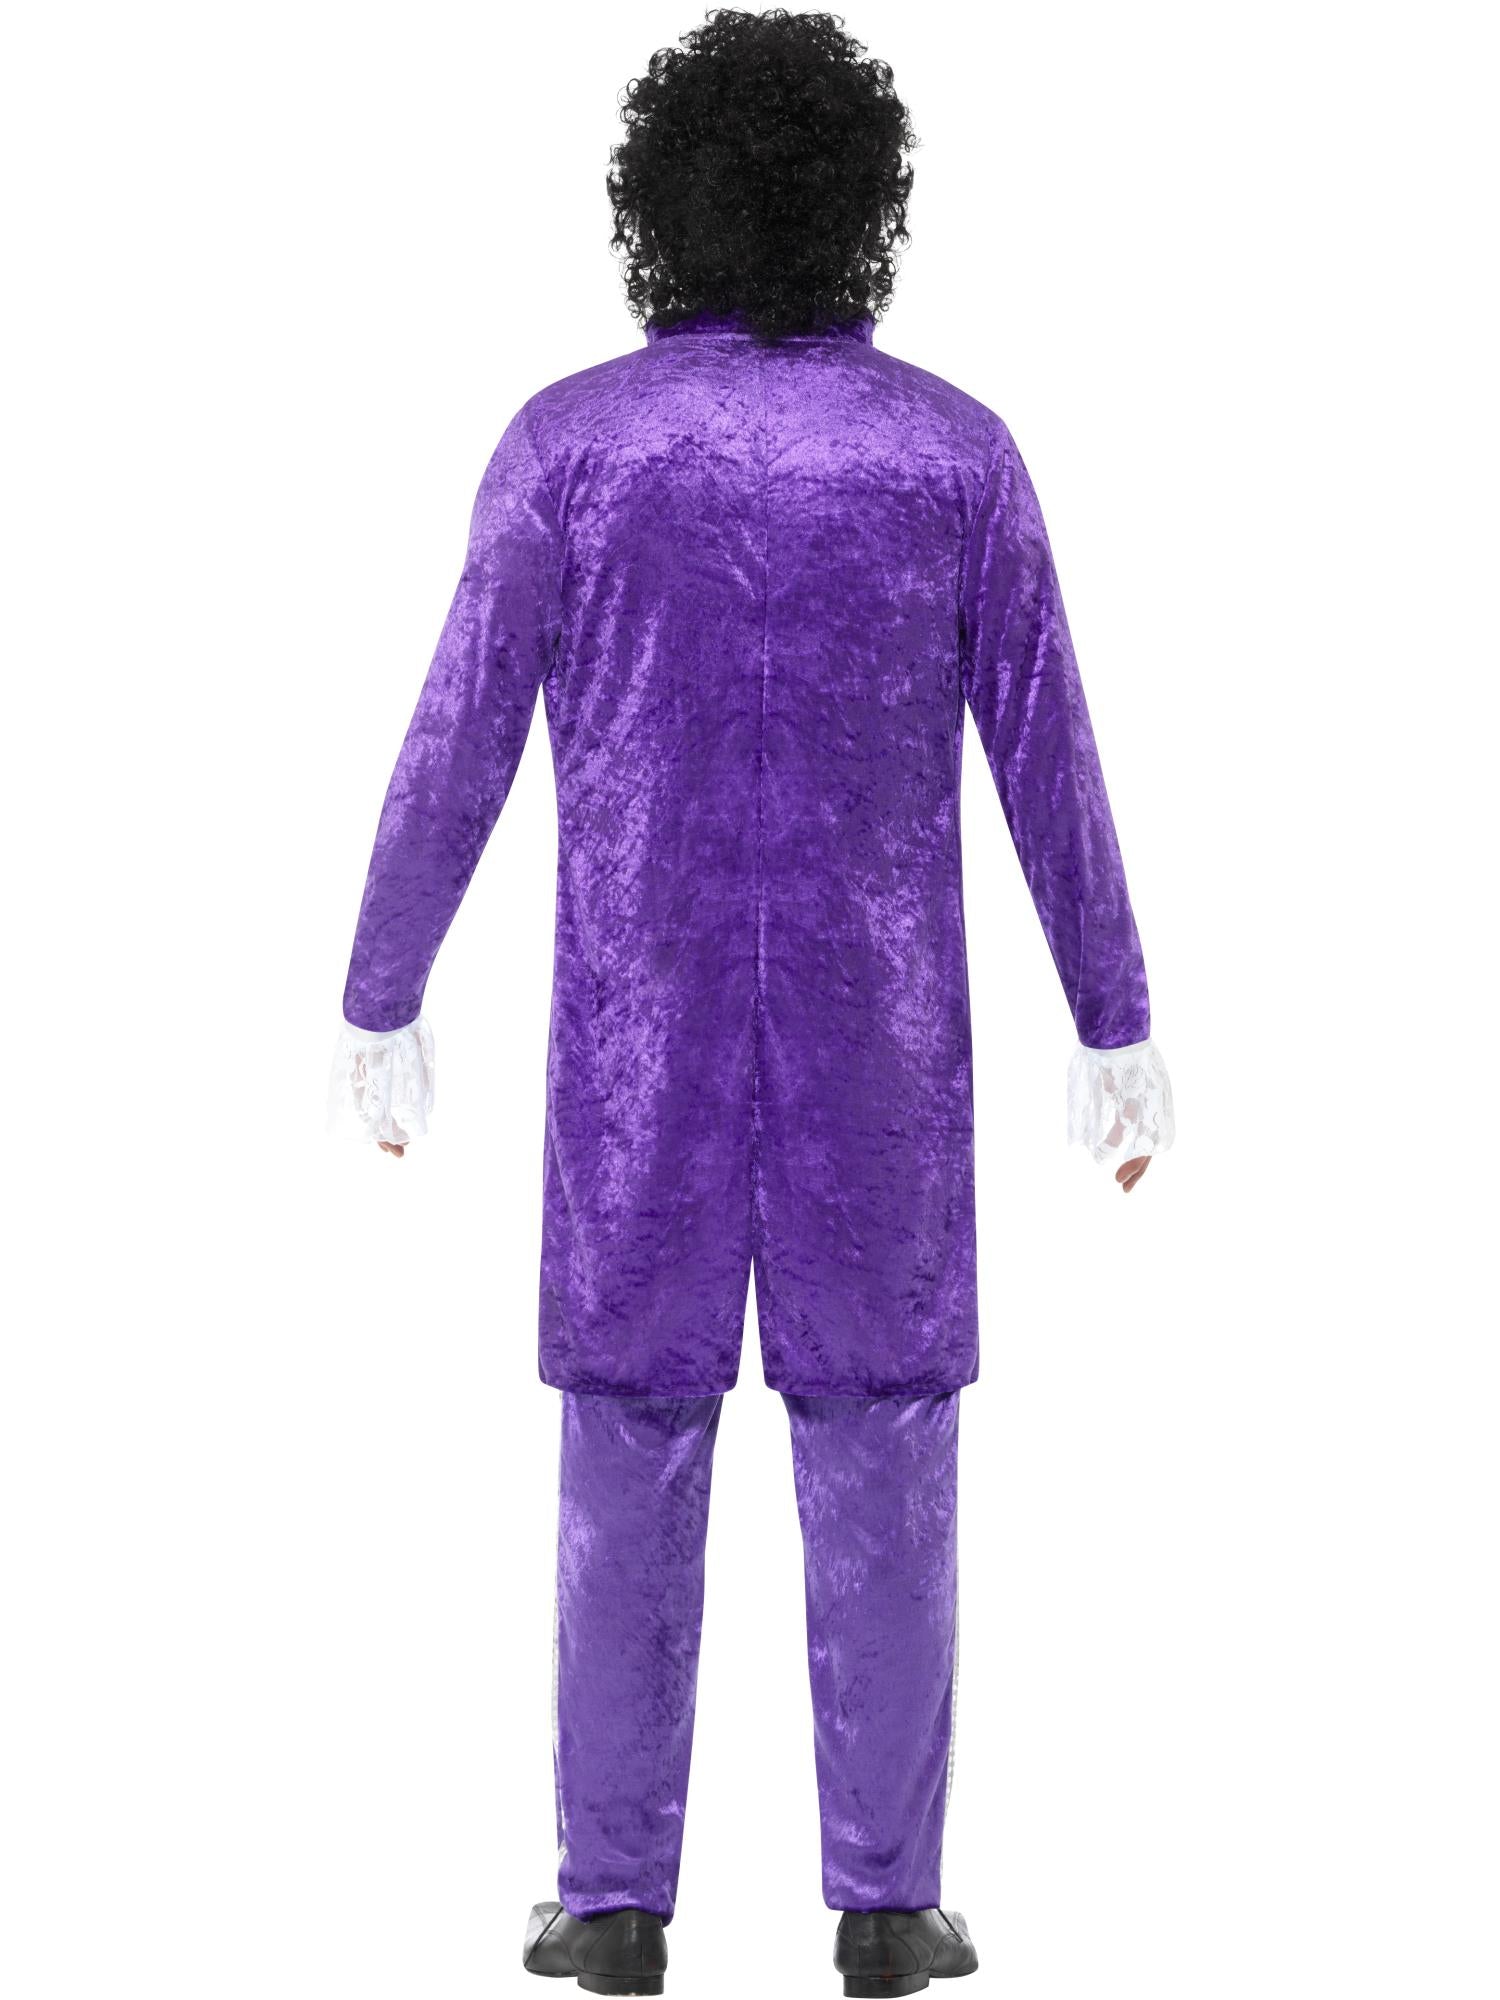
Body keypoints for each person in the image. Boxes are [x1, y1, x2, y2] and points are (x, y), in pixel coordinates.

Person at [327, 9, 1174, 1993]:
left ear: (662, 199)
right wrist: (1114, 1015)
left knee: (629, 1436)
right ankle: (889, 1904)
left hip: (645, 1036)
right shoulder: (952, 454)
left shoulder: (569, 447)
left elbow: (455, 736)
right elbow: (1050, 753)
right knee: (886, 1447)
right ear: (863, 199)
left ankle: (614, 1899)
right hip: (883, 1041)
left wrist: (382, 988)